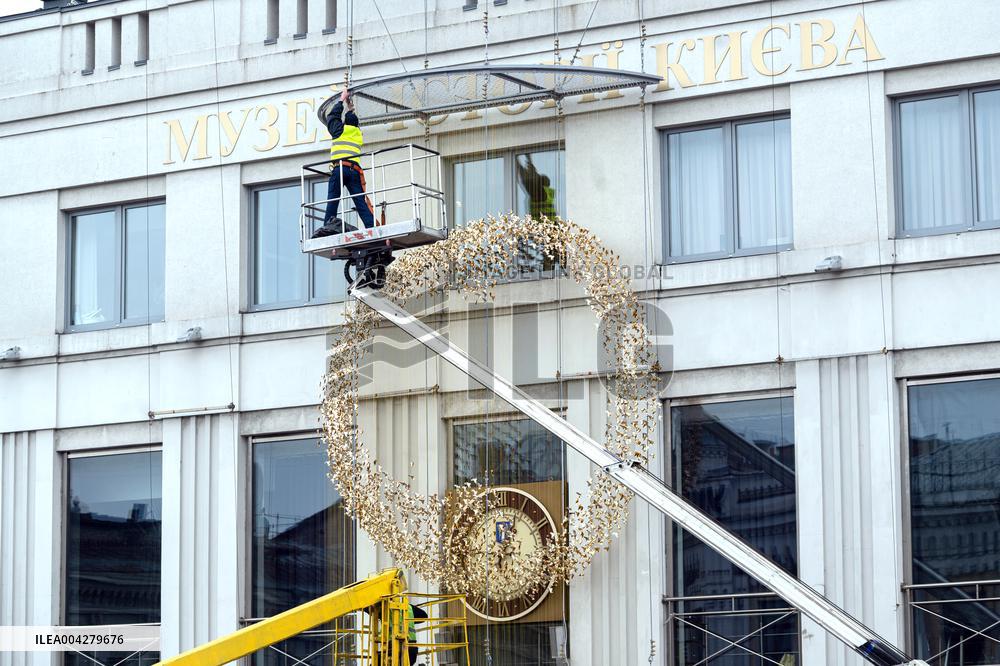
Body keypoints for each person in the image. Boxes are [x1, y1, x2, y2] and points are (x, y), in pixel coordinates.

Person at [311, 89, 375, 238]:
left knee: (333, 198)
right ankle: (371, 227)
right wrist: (350, 107)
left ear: (345, 122)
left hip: (340, 169)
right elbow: (353, 122)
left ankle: (328, 225)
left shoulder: (340, 130)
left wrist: (341, 100)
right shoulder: (357, 135)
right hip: (354, 171)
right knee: (360, 202)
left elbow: (332, 117)